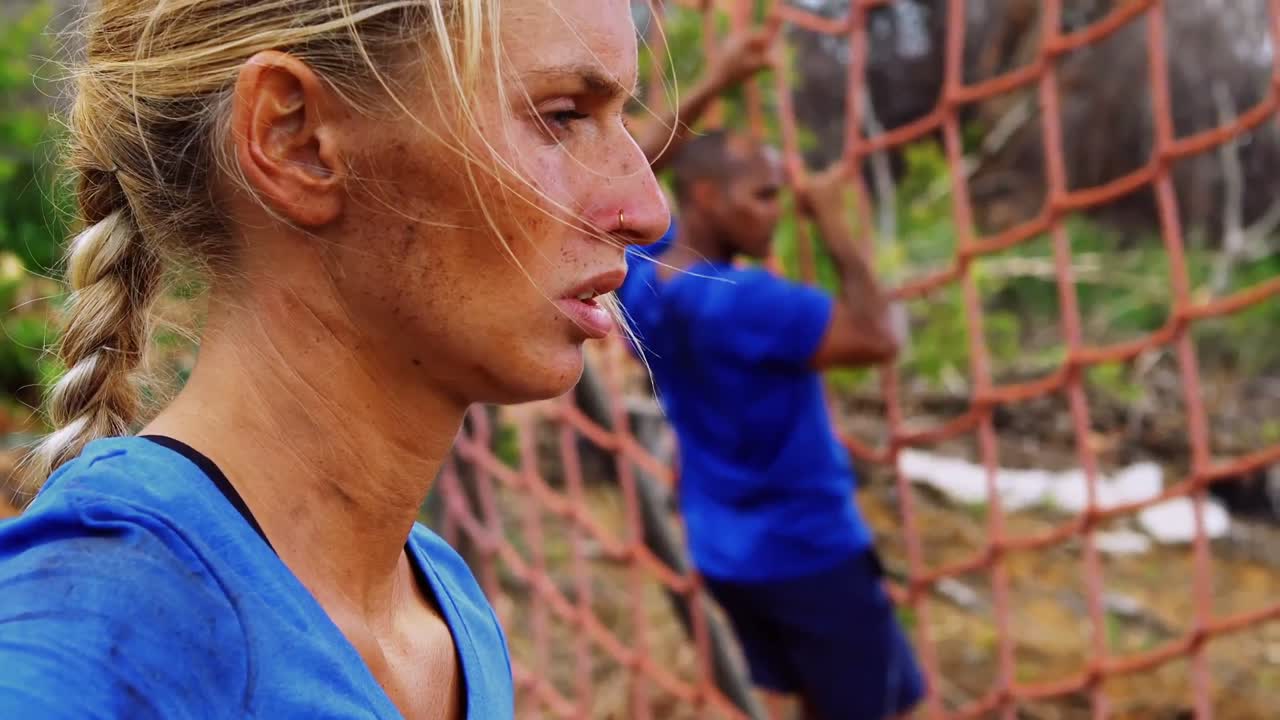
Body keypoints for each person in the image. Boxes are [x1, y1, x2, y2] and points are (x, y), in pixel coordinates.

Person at [0, 0, 667, 718]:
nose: (646, 207)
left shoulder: (447, 609)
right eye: (562, 115)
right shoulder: (100, 620)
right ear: (297, 139)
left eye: (620, 117)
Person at [616, 131, 926, 719]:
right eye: (762, 196)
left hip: (723, 551)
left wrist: (722, 75)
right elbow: (878, 337)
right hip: (808, 550)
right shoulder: (747, 303)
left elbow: (629, 167)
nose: (776, 214)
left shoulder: (641, 279)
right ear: (706, 196)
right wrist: (832, 221)